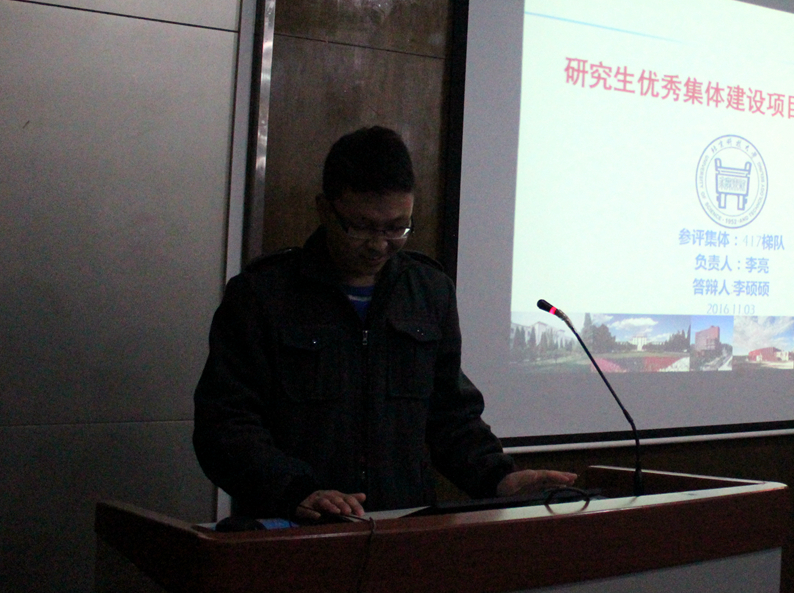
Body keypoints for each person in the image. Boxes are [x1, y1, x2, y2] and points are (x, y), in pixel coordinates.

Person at [194, 126, 573, 520]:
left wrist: (499, 478)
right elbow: (223, 426)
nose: (378, 245)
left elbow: (450, 417)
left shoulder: (429, 291)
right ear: (325, 209)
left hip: (402, 527)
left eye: (396, 228)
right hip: (295, 527)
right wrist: (294, 491)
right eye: (360, 227)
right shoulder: (262, 295)